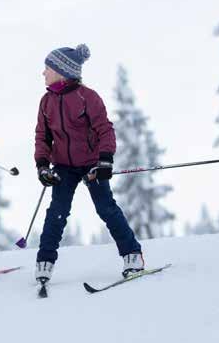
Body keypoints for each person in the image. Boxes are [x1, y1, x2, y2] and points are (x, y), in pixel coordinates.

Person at [33, 43, 144, 285]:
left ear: (61, 71)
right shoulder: (46, 101)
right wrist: (42, 165)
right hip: (63, 165)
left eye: (47, 68)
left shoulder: (88, 97)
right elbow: (42, 136)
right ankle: (45, 262)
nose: (43, 73)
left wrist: (105, 160)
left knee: (106, 208)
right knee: (57, 213)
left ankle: (132, 255)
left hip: (92, 163)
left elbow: (105, 130)